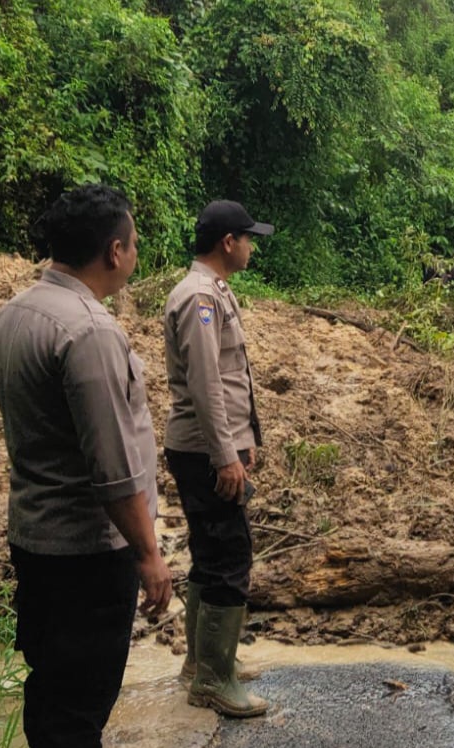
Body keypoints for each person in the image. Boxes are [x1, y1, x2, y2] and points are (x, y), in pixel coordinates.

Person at [0, 185, 172, 748]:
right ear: (114, 251)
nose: (136, 255)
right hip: (86, 550)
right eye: (135, 244)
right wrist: (149, 555)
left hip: (35, 536)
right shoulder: (89, 331)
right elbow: (114, 470)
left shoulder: (17, 312)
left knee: (52, 681)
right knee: (83, 690)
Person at [164, 200, 273, 718]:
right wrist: (225, 455)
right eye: (248, 238)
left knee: (211, 552)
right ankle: (213, 679)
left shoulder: (212, 291)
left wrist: (242, 439)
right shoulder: (200, 297)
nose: (251, 247)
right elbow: (206, 384)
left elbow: (227, 381)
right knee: (230, 555)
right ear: (228, 242)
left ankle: (204, 662)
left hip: (207, 446)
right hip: (204, 450)